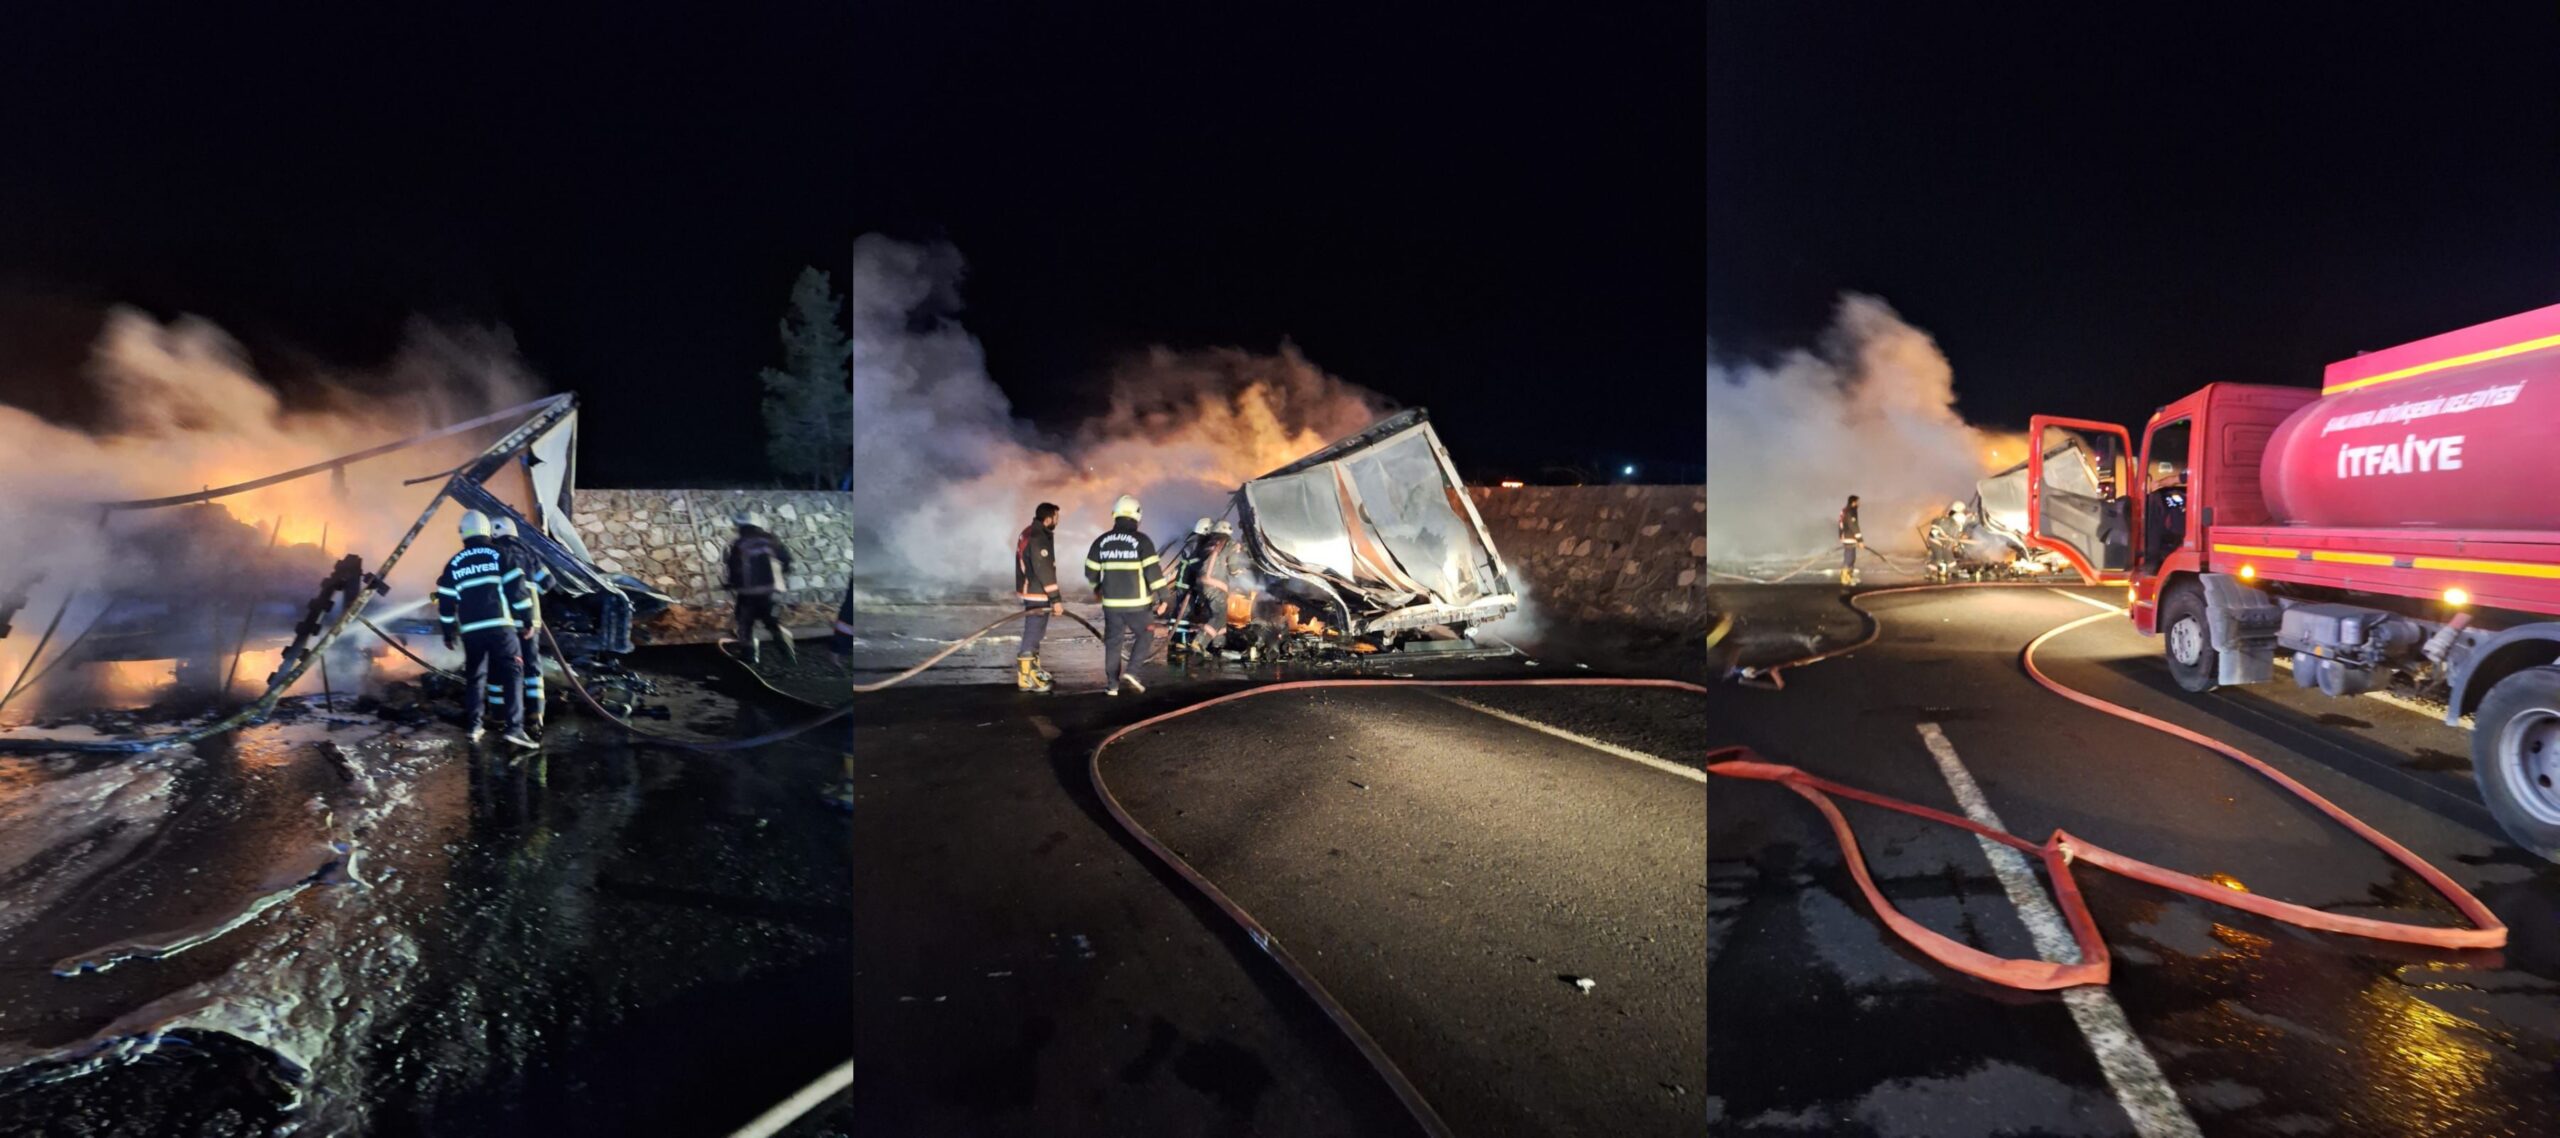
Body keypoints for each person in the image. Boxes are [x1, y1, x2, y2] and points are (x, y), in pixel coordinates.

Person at [436, 510, 538, 749]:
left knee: (475, 677)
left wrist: (448, 632)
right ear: (487, 531)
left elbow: (446, 600)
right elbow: (517, 589)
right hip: (500, 626)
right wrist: (527, 619)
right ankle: (514, 728)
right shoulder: (499, 554)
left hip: (471, 630)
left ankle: (474, 726)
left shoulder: (455, 562)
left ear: (462, 533)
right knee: (513, 673)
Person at [1084, 494, 1172, 696]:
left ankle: (1112, 685)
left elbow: (1090, 570)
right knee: (1146, 633)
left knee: (1113, 642)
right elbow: (1153, 573)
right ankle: (1132, 671)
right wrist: (1164, 597)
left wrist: (1097, 588)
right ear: (1137, 516)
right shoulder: (1141, 541)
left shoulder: (1102, 541)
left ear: (1115, 515)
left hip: (1112, 604)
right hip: (1137, 605)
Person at [487, 514, 554, 732]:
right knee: (532, 665)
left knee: (498, 665)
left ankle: (497, 716)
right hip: (530, 620)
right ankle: (535, 714)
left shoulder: (493, 554)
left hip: (503, 620)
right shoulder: (529, 552)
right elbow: (548, 583)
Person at [723, 511, 796, 664]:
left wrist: (731, 583)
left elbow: (734, 567)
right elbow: (787, 560)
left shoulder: (739, 544)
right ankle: (788, 655)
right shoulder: (771, 540)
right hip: (771, 592)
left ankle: (749, 655)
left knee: (745, 623)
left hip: (748, 592)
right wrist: (779, 576)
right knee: (772, 623)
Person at [1013, 502, 1063, 693]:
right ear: (1048, 518)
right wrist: (1056, 598)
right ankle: (1025, 678)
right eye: (1056, 518)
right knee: (1033, 633)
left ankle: (1033, 670)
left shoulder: (1029, 532)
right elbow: (1044, 570)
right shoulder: (1039, 537)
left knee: (1036, 633)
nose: (1057, 522)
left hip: (1033, 590)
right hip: (1036, 592)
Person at [1925, 499, 1972, 583]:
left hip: (1943, 542)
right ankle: (1930, 573)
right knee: (1938, 556)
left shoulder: (1955, 525)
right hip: (1935, 541)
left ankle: (1950, 570)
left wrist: (1954, 541)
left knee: (1946, 555)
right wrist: (1943, 535)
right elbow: (1935, 527)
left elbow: (1954, 537)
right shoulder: (1946, 522)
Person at [1838, 495, 1863, 586]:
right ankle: (1845, 579)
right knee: (1849, 558)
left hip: (1848, 537)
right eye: (1858, 501)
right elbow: (1854, 526)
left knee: (1852, 559)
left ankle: (1849, 577)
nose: (1859, 503)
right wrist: (1860, 540)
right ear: (1854, 502)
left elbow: (1841, 524)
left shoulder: (1845, 510)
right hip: (1849, 538)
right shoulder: (1850, 511)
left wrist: (1841, 536)